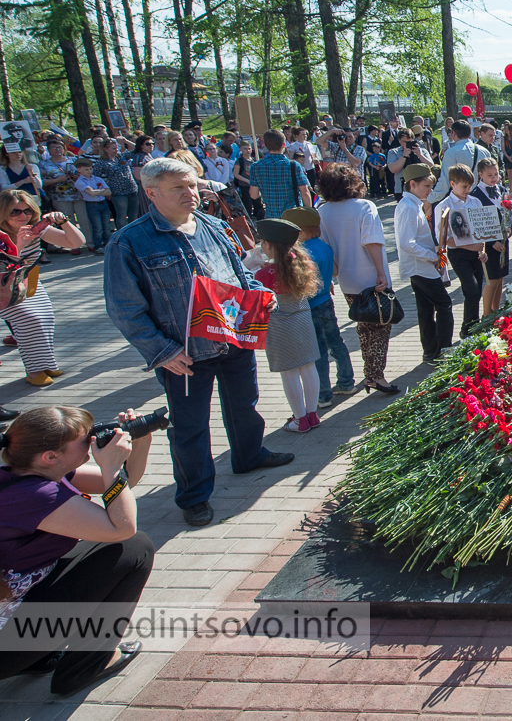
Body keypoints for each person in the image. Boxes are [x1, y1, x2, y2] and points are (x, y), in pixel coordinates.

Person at [105, 158, 293, 527]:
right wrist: (162, 352)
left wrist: (260, 295)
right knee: (190, 426)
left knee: (245, 404)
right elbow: (125, 309)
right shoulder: (128, 242)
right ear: (152, 193)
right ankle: (193, 495)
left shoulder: (214, 225)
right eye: (179, 188)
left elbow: (241, 275)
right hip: (184, 353)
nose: (191, 193)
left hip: (234, 340)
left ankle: (249, 455)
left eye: (193, 185)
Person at [0, 406, 154, 697]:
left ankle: (40, 658)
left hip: (12, 615)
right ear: (50, 456)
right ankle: (84, 667)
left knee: (99, 546)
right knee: (133, 549)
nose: (93, 443)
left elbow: (123, 485)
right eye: (85, 440)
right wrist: (109, 466)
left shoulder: (24, 470)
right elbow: (122, 528)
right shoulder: (35, 496)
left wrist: (139, 439)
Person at [316, 163, 398, 396]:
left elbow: (325, 249)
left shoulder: (323, 211)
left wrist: (330, 276)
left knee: (364, 326)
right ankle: (375, 375)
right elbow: (371, 241)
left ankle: (371, 372)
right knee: (380, 327)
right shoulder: (364, 206)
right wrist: (381, 272)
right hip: (371, 276)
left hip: (347, 279)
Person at [0, 191, 86, 386]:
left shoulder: (34, 229)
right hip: (4, 288)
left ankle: (46, 363)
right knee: (30, 321)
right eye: (15, 211)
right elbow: (5, 266)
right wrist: (20, 244)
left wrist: (63, 221)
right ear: (3, 212)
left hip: (29, 281)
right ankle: (34, 370)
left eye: (28, 211)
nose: (23, 216)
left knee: (46, 318)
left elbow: (77, 242)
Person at [250, 218, 324, 433]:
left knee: (289, 372)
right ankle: (312, 414)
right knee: (308, 366)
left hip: (279, 324)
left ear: (270, 245)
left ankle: (299, 419)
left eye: (263, 242)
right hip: (302, 319)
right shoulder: (301, 262)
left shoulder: (263, 274)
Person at [281, 207, 356, 410]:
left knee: (319, 351)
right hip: (326, 302)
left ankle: (323, 394)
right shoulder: (324, 246)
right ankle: (347, 382)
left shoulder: (301, 253)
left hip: (310, 306)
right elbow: (333, 271)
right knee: (336, 342)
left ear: (299, 233)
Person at [395, 163, 454, 363]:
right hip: (421, 266)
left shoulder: (413, 204)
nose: (430, 190)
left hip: (420, 265)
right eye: (427, 186)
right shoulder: (409, 207)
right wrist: (433, 256)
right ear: (412, 184)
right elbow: (407, 243)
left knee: (425, 308)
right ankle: (444, 348)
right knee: (444, 305)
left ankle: (430, 349)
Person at [435, 164, 486, 335]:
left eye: (470, 186)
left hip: (476, 253)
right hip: (459, 254)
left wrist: (482, 250)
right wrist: (469, 246)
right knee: (470, 289)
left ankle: (472, 325)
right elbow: (445, 239)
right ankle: (468, 328)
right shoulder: (444, 206)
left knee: (477, 290)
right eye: (464, 186)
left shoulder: (475, 202)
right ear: (452, 184)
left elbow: (481, 229)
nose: (468, 190)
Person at [470, 158, 511, 313]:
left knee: (500, 277)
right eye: (489, 175)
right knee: (492, 278)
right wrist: (492, 242)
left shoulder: (501, 189)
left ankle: (496, 308)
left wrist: (509, 227)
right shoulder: (476, 195)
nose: (494, 178)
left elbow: (508, 213)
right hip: (488, 243)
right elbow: (477, 223)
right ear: (480, 175)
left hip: (503, 239)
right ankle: (487, 313)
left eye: (496, 174)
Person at [249, 131, 312, 218]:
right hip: (293, 215)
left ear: (266, 146)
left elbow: (254, 195)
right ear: (283, 145)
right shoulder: (293, 165)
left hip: (271, 217)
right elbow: (304, 192)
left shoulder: (256, 166)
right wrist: (309, 212)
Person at [430, 120, 489, 204]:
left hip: (458, 200)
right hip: (480, 197)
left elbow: (445, 182)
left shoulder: (451, 152)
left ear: (453, 133)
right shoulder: (484, 151)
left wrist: (431, 199)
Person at [73, 158, 113, 254]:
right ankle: (98, 246)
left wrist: (97, 192)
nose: (89, 171)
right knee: (97, 227)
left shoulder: (97, 179)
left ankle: (108, 244)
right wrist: (101, 191)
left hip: (103, 203)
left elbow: (109, 191)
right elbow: (90, 193)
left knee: (107, 226)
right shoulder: (79, 182)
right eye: (86, 169)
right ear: (79, 170)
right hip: (92, 205)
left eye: (90, 169)